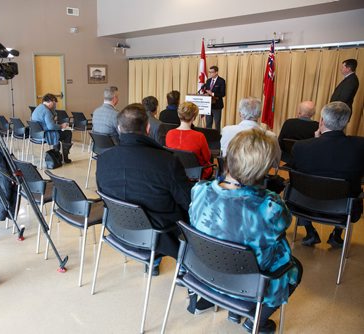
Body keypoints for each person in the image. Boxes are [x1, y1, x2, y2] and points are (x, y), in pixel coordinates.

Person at [188, 128, 302, 333]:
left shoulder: (199, 191)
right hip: (250, 285)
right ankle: (256, 321)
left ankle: (234, 311)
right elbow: (285, 223)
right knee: (296, 269)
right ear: (263, 169)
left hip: (204, 273)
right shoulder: (270, 206)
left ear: (228, 156)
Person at [96, 103, 192, 275]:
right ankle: (186, 266)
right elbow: (188, 202)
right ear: (148, 128)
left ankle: (153, 261)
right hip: (160, 234)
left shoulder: (103, 159)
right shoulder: (167, 162)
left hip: (118, 227)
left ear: (119, 129)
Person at [291, 101, 364, 247]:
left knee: (299, 185)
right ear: (347, 122)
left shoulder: (300, 147)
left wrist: (316, 140)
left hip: (304, 205)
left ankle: (310, 231)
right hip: (342, 210)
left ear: (322, 121)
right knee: (351, 187)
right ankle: (336, 235)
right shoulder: (360, 146)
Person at [165, 102, 212, 179]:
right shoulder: (199, 136)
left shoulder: (169, 134)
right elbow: (207, 157)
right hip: (197, 173)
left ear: (179, 115)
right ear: (193, 118)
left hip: (176, 172)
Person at [31, 93, 73, 163]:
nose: (55, 105)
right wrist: (61, 126)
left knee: (58, 132)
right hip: (45, 135)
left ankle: (57, 154)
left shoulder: (38, 108)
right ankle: (64, 157)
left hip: (36, 134)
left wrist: (53, 111)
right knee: (68, 133)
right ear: (50, 101)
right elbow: (51, 126)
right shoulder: (46, 111)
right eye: (54, 103)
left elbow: (53, 118)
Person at [202, 65, 226, 130]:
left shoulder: (221, 81)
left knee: (217, 124)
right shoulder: (208, 81)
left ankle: (217, 138)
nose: (210, 74)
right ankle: (208, 138)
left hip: (217, 106)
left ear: (216, 72)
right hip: (208, 105)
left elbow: (223, 94)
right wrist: (206, 93)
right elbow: (206, 90)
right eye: (209, 72)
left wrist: (212, 93)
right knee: (208, 124)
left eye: (212, 72)